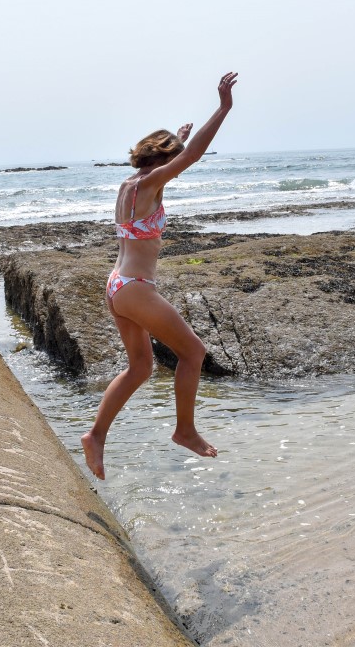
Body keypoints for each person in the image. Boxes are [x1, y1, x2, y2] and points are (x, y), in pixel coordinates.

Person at [81, 72, 238, 480]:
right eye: (172, 160)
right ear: (163, 160)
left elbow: (177, 161)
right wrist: (222, 109)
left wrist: (177, 139)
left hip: (117, 285)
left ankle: (95, 436)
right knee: (193, 353)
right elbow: (192, 158)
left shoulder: (130, 186)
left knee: (140, 368)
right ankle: (184, 430)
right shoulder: (151, 183)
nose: (176, 168)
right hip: (134, 287)